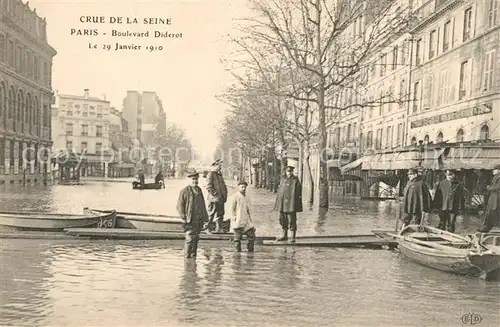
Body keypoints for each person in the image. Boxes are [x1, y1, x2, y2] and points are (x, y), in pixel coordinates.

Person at [176, 171, 209, 259]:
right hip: (189, 219)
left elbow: (203, 205)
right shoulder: (184, 191)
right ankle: (187, 259)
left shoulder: (199, 190)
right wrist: (183, 217)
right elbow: (179, 205)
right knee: (189, 239)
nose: (195, 181)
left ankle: (193, 259)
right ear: (189, 180)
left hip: (198, 219)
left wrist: (206, 219)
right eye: (193, 179)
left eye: (196, 179)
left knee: (196, 239)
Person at [274, 164, 303, 242]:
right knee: (282, 219)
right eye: (288, 171)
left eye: (291, 171)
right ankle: (284, 235)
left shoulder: (295, 180)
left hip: (291, 203)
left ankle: (292, 237)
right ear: (285, 172)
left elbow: (298, 192)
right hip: (283, 204)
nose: (289, 173)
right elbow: (280, 191)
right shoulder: (283, 179)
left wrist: (295, 204)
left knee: (292, 220)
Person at [229, 180, 256, 252]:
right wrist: (234, 218)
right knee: (237, 239)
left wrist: (251, 220)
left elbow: (249, 210)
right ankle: (237, 254)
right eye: (242, 187)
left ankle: (250, 253)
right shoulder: (235, 196)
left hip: (246, 220)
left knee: (251, 236)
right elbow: (232, 209)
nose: (243, 188)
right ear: (238, 187)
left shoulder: (247, 197)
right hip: (238, 220)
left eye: (245, 187)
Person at [205, 159, 228, 233]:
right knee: (211, 214)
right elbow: (208, 186)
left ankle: (218, 229)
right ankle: (207, 228)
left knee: (220, 214)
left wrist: (224, 195)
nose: (220, 167)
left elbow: (223, 186)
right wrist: (214, 193)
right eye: (219, 166)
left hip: (221, 199)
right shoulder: (211, 174)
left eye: (220, 166)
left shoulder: (219, 175)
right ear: (214, 166)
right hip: (213, 199)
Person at [478, 168, 500, 232]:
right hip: (493, 196)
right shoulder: (497, 175)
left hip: (497, 196)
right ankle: (486, 227)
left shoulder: (498, 176)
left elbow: (498, 187)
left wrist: (489, 188)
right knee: (489, 211)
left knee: (493, 211)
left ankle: (488, 227)